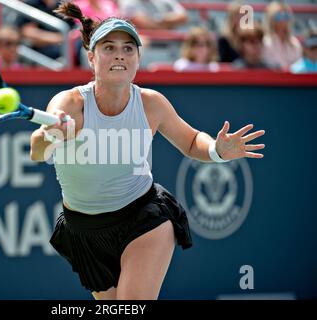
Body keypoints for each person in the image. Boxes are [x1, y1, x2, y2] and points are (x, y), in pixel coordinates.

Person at [30, 2, 265, 300]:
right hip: (84, 230)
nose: (120, 54)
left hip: (142, 218)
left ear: (138, 58)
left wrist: (217, 150)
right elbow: (37, 152)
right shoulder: (69, 104)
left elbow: (192, 142)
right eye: (109, 47)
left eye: (129, 48)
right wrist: (46, 137)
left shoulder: (151, 103)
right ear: (91, 58)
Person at [263, 1, 301, 70]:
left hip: (292, 79)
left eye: (286, 16)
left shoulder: (294, 43)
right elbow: (266, 65)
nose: (283, 20)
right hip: (272, 79)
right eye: (279, 16)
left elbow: (299, 67)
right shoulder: (265, 42)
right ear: (271, 19)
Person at [118, 0, 188, 30]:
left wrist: (162, 19)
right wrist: (169, 24)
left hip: (167, 43)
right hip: (140, 43)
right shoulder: (128, 1)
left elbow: (183, 16)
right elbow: (141, 22)